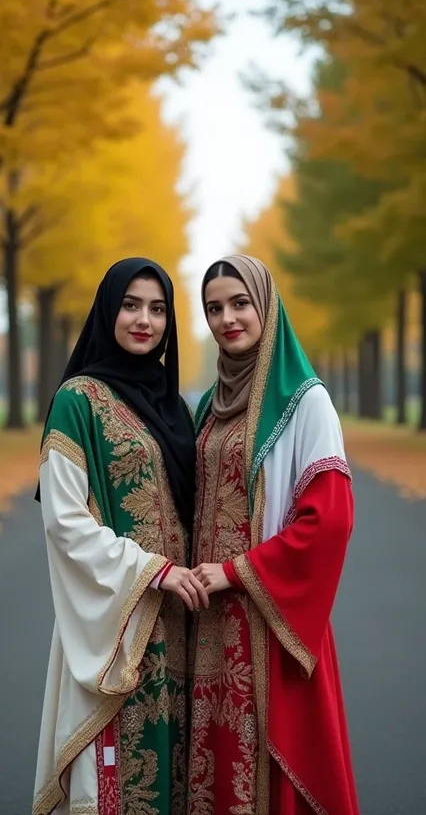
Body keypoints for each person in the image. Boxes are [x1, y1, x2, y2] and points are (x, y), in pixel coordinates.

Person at [32, 257, 208, 815]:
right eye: (131, 305)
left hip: (182, 621)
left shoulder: (176, 408)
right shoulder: (77, 401)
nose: (144, 320)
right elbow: (64, 520)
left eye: (158, 309)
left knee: (178, 773)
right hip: (118, 620)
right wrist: (151, 570)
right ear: (108, 309)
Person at [188, 254, 359, 815]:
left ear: (267, 305)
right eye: (214, 308)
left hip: (270, 621)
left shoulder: (306, 403)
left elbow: (329, 520)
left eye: (240, 303)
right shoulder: (208, 408)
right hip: (208, 621)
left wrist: (237, 571)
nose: (226, 318)